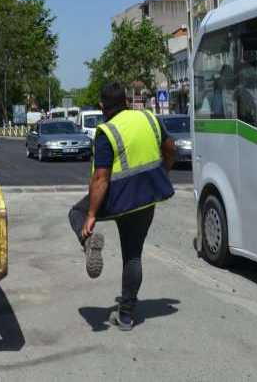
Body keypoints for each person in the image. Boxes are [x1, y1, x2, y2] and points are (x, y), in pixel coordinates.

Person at [68, 81, 176, 331]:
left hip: (116, 199)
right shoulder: (150, 118)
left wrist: (92, 215)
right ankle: (126, 315)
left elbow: (101, 178)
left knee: (76, 213)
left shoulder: (106, 131)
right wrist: (162, 174)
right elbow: (171, 149)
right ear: (126, 101)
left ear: (101, 106)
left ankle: (88, 242)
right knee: (133, 255)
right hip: (146, 198)